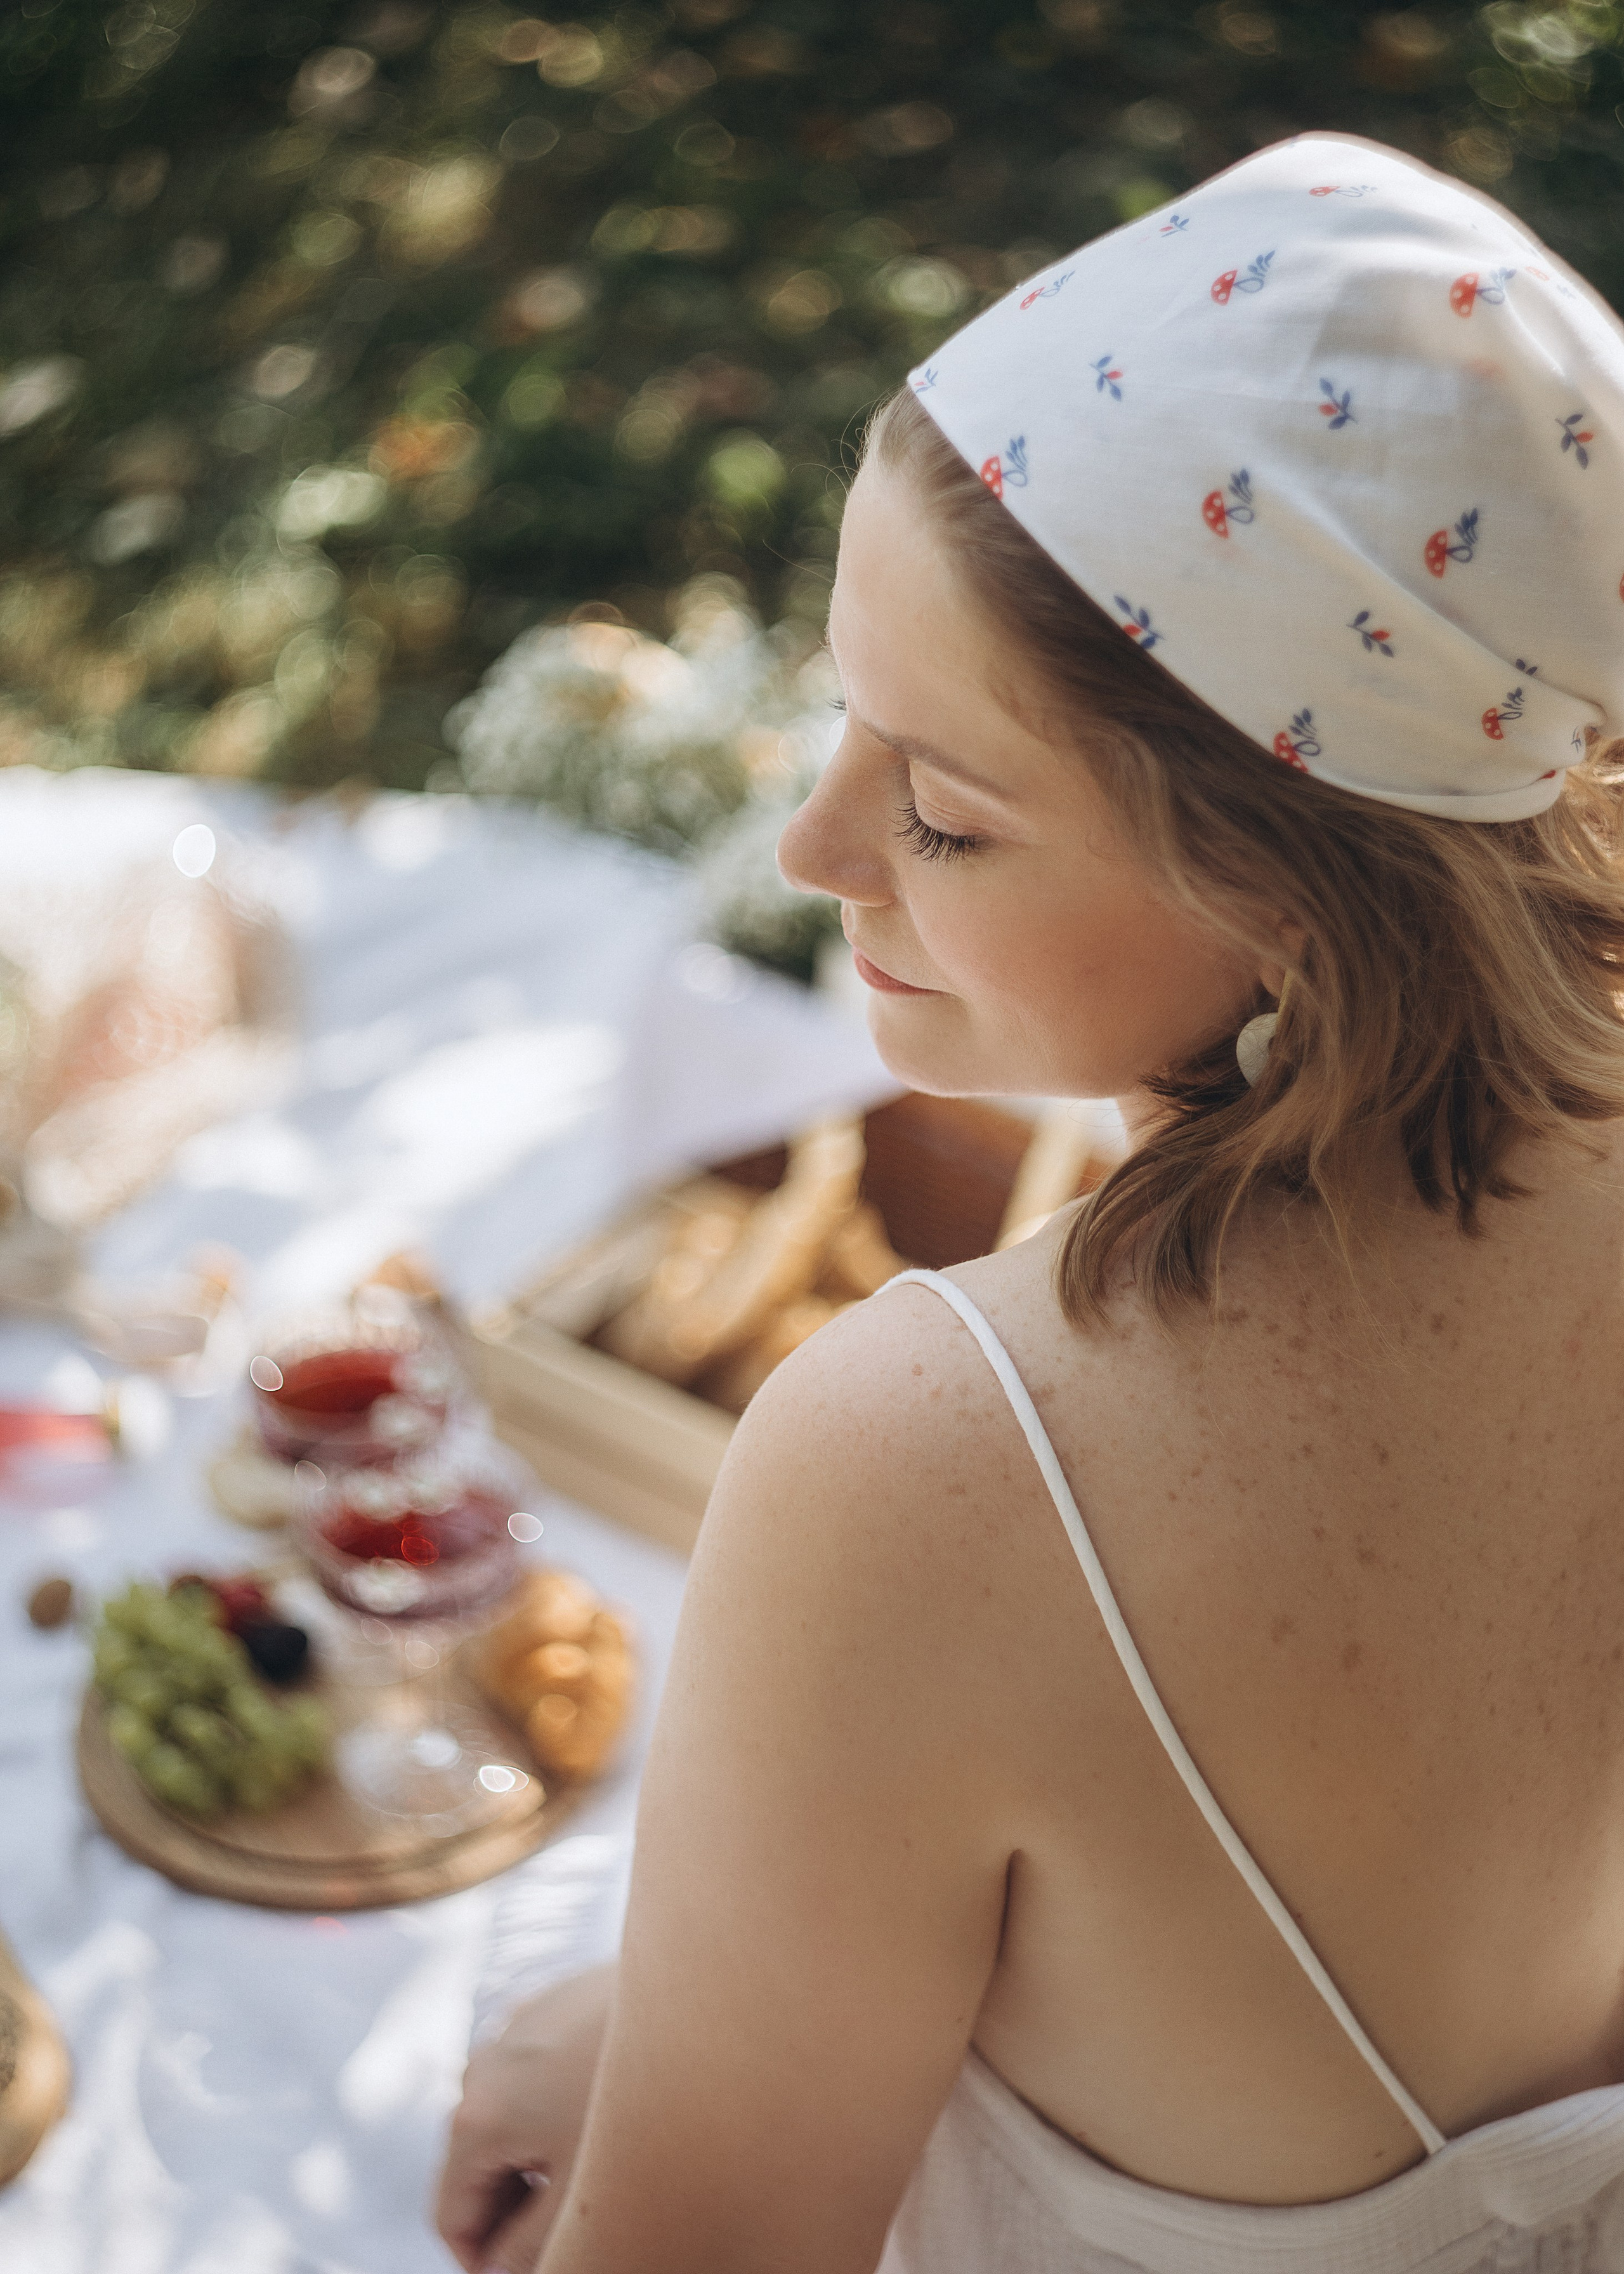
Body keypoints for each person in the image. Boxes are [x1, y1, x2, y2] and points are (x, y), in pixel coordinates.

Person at [438, 131, 1624, 2272]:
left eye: (947, 811)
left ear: (1290, 880)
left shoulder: (944, 1465)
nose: (813, 848)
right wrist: (691, 2014)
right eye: (845, 714)